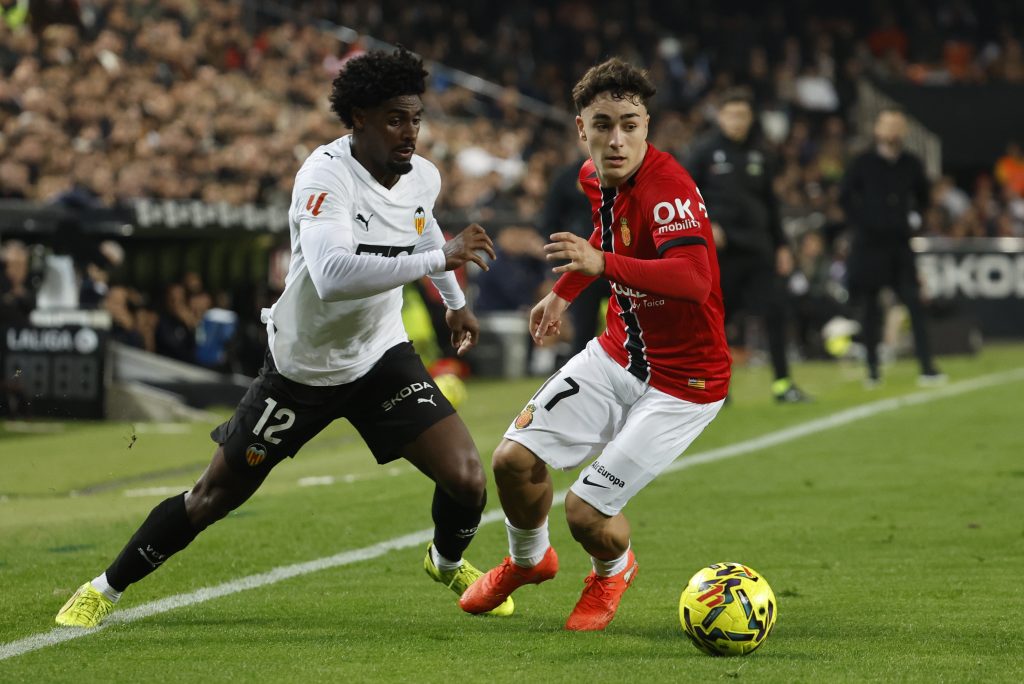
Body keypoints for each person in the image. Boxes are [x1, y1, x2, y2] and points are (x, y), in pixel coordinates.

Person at [55, 47, 510, 628]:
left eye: (416, 119)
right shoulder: (324, 176)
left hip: (379, 356)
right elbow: (333, 275)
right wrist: (439, 259)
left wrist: (455, 302)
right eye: (396, 119)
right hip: (303, 369)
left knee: (467, 478)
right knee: (212, 497)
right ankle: (103, 588)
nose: (410, 132)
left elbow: (424, 228)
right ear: (359, 118)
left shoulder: (423, 175)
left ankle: (444, 562)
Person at [459, 58, 731, 631]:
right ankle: (529, 560)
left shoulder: (668, 188)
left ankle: (613, 570)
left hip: (685, 384)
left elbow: (694, 278)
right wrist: (562, 294)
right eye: (603, 125)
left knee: (585, 512)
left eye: (630, 125)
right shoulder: (592, 177)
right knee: (512, 460)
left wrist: (601, 264)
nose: (617, 140)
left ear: (647, 126)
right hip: (617, 354)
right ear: (581, 128)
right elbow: (607, 234)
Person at [684, 88, 810, 403]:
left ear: (751, 118)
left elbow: (771, 204)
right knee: (716, 321)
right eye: (731, 115)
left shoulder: (761, 154)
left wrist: (782, 245)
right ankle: (715, 388)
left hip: (759, 249)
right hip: (721, 252)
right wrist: (706, 225)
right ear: (720, 117)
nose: (737, 121)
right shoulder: (703, 152)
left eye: (742, 115)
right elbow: (682, 195)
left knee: (775, 312)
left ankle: (783, 384)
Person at [839, 108, 944, 387]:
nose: (892, 130)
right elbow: (845, 197)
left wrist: (914, 218)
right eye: (887, 124)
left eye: (897, 125)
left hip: (899, 244)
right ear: (877, 129)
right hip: (869, 246)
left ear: (904, 130)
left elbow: (923, 198)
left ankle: (927, 368)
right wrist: (864, 223)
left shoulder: (911, 163)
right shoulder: (863, 162)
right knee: (870, 308)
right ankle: (872, 370)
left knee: (914, 304)